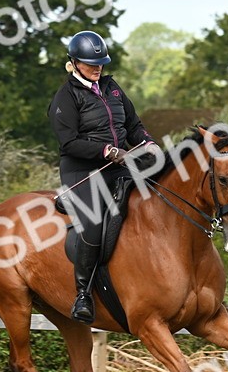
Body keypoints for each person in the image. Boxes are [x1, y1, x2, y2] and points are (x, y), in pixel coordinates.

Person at [47, 30, 160, 324]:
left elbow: (134, 124)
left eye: (101, 63)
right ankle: (83, 294)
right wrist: (106, 151)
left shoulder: (111, 87)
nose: (98, 68)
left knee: (155, 198)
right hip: (82, 170)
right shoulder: (66, 96)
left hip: (119, 165)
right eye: (90, 63)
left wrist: (148, 143)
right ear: (74, 62)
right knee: (95, 223)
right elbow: (68, 142)